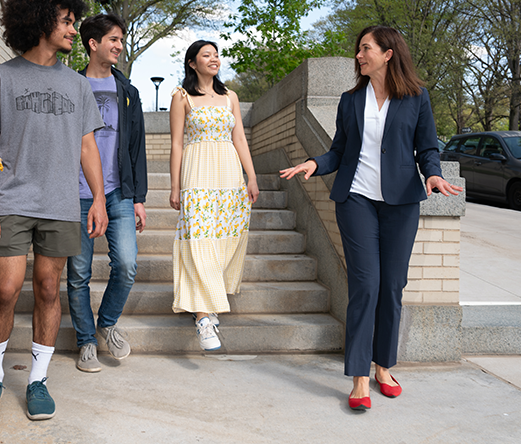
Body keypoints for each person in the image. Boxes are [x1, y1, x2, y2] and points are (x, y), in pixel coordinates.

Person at [280, 25, 461, 411]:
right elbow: (339, 151)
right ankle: (360, 375)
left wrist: (433, 174)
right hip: (356, 199)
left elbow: (427, 147)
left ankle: (384, 367)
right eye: (359, 49)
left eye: (365, 49)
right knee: (366, 284)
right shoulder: (350, 100)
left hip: (400, 204)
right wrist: (315, 162)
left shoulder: (416, 98)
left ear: (387, 54)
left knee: (392, 286)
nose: (359, 56)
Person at [0, 0, 108, 424]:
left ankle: (37, 380)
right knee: (5, 290)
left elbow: (87, 147)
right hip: (10, 200)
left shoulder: (78, 85)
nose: (73, 29)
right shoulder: (0, 78)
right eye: (66, 20)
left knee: (48, 288)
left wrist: (98, 198)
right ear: (41, 21)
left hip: (61, 203)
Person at [67, 13, 148, 373]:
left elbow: (137, 147)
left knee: (127, 265)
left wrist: (139, 198)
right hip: (76, 194)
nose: (119, 46)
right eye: (113, 39)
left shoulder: (127, 91)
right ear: (93, 43)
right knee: (79, 272)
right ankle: (86, 341)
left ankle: (107, 324)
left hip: (118, 193)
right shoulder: (71, 87)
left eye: (121, 40)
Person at [169, 40, 259, 351]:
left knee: (226, 237)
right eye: (207, 55)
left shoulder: (229, 96)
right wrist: (174, 185)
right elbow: (177, 144)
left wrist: (252, 176)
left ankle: (207, 295)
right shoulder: (181, 98)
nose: (214, 59)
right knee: (199, 240)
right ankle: (203, 316)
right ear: (192, 63)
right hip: (197, 173)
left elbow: (240, 139)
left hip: (229, 175)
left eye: (217, 54)